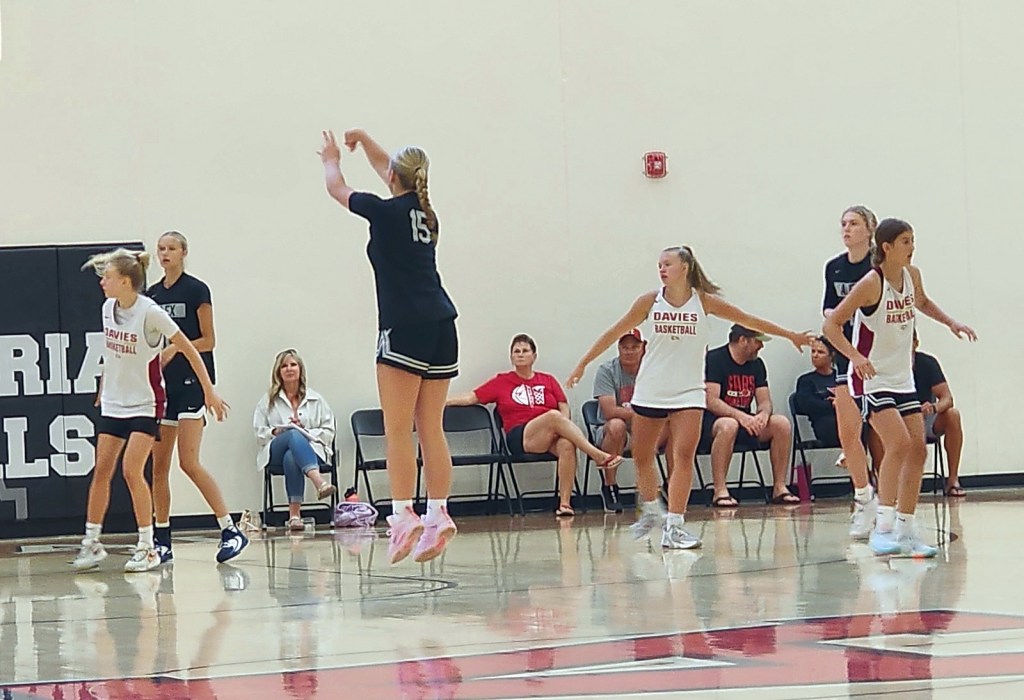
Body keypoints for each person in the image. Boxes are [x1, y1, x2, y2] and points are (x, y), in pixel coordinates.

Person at [568, 245, 812, 549]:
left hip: (689, 391)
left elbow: (749, 319)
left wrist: (791, 335)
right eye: (659, 264)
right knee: (642, 456)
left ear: (685, 267)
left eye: (667, 264)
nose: (661, 269)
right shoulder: (649, 301)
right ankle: (650, 509)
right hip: (651, 388)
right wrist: (583, 363)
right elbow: (612, 332)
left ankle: (675, 526)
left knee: (683, 457)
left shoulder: (703, 301)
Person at [319, 128, 457, 564]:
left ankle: (402, 515)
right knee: (430, 427)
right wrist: (366, 140)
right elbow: (390, 170)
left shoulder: (383, 211)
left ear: (394, 176)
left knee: (397, 428)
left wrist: (331, 158)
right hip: (443, 325)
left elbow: (337, 188)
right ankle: (438, 513)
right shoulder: (427, 215)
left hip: (404, 325)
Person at [823, 218, 976, 558]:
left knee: (918, 450)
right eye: (906, 241)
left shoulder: (911, 275)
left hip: (902, 377)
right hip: (871, 378)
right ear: (887, 246)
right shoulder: (870, 283)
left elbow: (922, 301)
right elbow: (831, 325)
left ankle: (906, 528)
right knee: (898, 443)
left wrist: (951, 322)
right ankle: (883, 526)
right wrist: (854, 357)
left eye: (913, 240)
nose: (912, 246)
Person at [72, 249, 229, 572]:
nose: (102, 282)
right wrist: (103, 385)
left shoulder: (151, 313)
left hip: (146, 402)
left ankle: (148, 547)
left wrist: (209, 391)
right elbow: (111, 354)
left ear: (126, 281)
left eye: (108, 277)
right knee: (102, 470)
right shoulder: (107, 308)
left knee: (132, 469)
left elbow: (190, 349)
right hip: (115, 401)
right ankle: (92, 542)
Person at [146, 231, 248, 564]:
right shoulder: (152, 295)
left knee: (188, 462)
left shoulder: (196, 289)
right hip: (164, 387)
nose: (165, 253)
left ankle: (230, 529)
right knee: (158, 468)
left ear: (183, 252)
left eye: (171, 248)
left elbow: (209, 340)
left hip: (192, 383)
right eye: (161, 248)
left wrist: (177, 348)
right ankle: (162, 541)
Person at [448, 334, 622, 516]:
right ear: (511, 357)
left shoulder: (548, 380)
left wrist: (562, 428)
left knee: (566, 444)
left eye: (525, 351)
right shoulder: (502, 381)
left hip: (550, 434)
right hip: (520, 435)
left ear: (534, 356)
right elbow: (472, 397)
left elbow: (564, 407)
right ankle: (596, 455)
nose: (520, 354)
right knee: (553, 416)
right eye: (516, 351)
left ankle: (565, 504)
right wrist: (442, 401)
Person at [822, 205, 880, 539]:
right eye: (843, 223)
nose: (846, 229)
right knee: (848, 433)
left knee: (889, 433)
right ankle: (863, 497)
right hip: (848, 353)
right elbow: (829, 310)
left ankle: (893, 505)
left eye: (854, 223)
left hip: (880, 354)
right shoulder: (834, 267)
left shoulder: (879, 267)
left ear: (870, 230)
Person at [701, 325, 802, 507]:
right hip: (714, 422)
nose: (761, 346)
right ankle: (720, 490)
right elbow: (711, 401)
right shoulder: (715, 359)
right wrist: (741, 417)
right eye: (758, 341)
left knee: (781, 423)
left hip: (745, 421)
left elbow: (764, 401)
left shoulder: (757, 364)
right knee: (728, 425)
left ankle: (780, 487)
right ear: (743, 340)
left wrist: (763, 414)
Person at [253, 350, 338, 529]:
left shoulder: (316, 399)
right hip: (275, 451)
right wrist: (275, 431)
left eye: (293, 364)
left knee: (292, 456)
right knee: (292, 433)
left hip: (312, 450)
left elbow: (329, 431)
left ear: (300, 369)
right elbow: (259, 433)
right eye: (284, 366)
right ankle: (319, 482)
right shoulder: (268, 401)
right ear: (278, 372)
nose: (289, 369)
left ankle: (294, 516)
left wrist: (306, 431)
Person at [592, 329, 670, 513]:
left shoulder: (654, 370)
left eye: (634, 347)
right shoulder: (607, 370)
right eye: (624, 347)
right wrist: (644, 413)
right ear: (618, 348)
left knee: (675, 423)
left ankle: (670, 484)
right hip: (617, 432)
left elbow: (664, 404)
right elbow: (610, 411)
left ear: (644, 348)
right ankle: (610, 486)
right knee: (616, 425)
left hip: (649, 429)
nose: (629, 351)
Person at [913, 333, 966, 497]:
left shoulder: (927, 363)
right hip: (896, 419)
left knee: (953, 415)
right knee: (873, 420)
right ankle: (881, 483)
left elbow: (947, 398)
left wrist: (934, 407)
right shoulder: (887, 364)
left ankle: (953, 479)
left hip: (924, 418)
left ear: (916, 343)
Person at [793, 337, 840, 446]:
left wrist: (841, 403)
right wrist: (832, 404)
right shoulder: (806, 380)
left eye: (820, 352)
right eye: (813, 351)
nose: (815, 355)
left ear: (832, 355)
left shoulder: (841, 378)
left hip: (845, 417)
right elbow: (807, 405)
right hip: (823, 423)